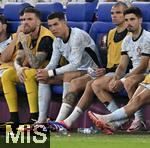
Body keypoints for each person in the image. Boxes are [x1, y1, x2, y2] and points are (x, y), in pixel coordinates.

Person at [47, 2, 129, 131]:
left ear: (126, 15)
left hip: (123, 72)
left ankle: (66, 122)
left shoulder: (130, 35)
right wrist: (104, 70)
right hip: (106, 71)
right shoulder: (111, 33)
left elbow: (127, 62)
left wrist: (107, 71)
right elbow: (109, 59)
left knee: (92, 84)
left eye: (118, 13)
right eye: (112, 13)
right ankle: (62, 122)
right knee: (75, 83)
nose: (114, 16)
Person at [88, 6, 150, 134]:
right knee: (96, 84)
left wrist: (122, 80)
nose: (129, 23)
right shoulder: (127, 40)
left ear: (140, 20)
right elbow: (122, 66)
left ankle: (138, 120)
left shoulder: (147, 37)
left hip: (144, 73)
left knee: (128, 82)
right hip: (133, 73)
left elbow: (143, 66)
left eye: (132, 19)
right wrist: (115, 79)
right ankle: (120, 120)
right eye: (126, 20)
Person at [36, 12, 100, 124]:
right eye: (50, 26)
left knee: (68, 75)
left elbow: (75, 64)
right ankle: (41, 120)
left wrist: (50, 73)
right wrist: (44, 71)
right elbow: (53, 64)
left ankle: (60, 121)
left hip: (93, 70)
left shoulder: (77, 36)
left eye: (56, 24)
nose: (53, 29)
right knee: (43, 78)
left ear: (64, 22)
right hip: (77, 70)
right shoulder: (57, 41)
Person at [1, 7, 55, 125]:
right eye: (23, 19)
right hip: (35, 71)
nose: (25, 22)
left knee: (28, 73)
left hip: (51, 71)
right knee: (7, 74)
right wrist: (19, 68)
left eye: (29, 19)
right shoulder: (26, 34)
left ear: (38, 21)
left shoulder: (46, 36)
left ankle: (34, 117)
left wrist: (24, 43)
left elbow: (36, 64)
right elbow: (18, 58)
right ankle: (14, 118)